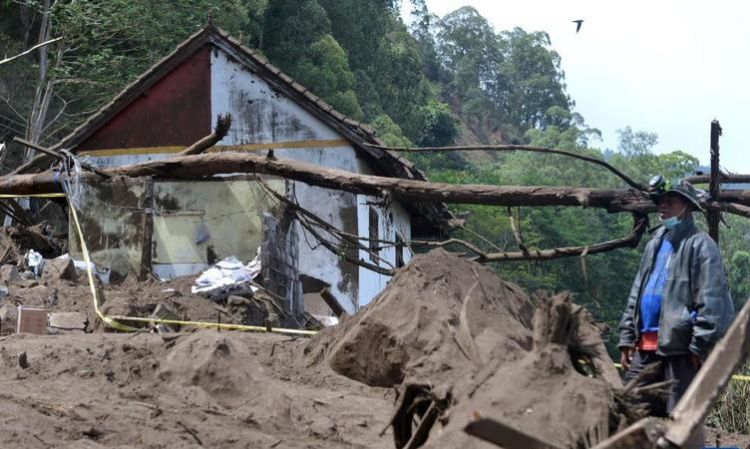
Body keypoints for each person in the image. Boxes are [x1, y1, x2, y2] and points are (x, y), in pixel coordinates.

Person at [618, 176, 735, 416]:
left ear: (687, 206)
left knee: (679, 420)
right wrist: (627, 336)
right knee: (628, 412)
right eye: (660, 201)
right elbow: (637, 291)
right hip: (645, 348)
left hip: (682, 352)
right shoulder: (655, 243)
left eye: (670, 201)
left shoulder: (701, 245)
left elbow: (713, 300)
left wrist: (699, 345)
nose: (663, 206)